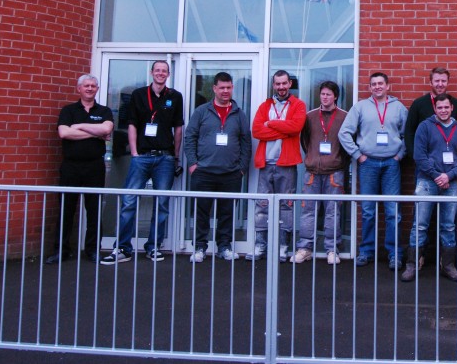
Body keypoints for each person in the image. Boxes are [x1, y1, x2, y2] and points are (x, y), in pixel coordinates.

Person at [101, 60, 184, 265]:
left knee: (161, 204)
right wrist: (135, 152)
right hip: (142, 156)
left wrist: (175, 156)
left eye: (164, 71)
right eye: (157, 70)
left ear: (168, 74)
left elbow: (179, 128)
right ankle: (122, 247)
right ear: (152, 72)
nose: (161, 74)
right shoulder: (139, 95)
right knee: (129, 201)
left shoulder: (175, 96)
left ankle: (153, 246)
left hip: (164, 157)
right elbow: (132, 125)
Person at [337, 72, 408, 268]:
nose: (377, 87)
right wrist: (357, 155)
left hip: (391, 164)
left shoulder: (398, 108)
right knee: (368, 210)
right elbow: (344, 133)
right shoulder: (360, 107)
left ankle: (395, 253)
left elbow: (407, 134)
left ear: (387, 86)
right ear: (369, 88)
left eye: (380, 84)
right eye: (373, 84)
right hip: (367, 163)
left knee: (393, 211)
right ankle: (366, 251)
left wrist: (399, 155)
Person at [401, 93, 457, 282]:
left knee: (448, 226)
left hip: (451, 182)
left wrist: (449, 175)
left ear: (451, 108)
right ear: (435, 109)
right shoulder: (425, 127)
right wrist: (437, 176)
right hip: (426, 181)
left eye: (446, 107)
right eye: (440, 108)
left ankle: (448, 266)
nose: (443, 110)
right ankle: (412, 265)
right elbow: (419, 156)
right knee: (420, 225)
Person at [46, 74, 114, 264]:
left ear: (97, 89)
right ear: (79, 88)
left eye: (93, 86)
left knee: (94, 210)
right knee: (66, 209)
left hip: (95, 166)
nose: (90, 88)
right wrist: (94, 132)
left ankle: (92, 250)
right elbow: (64, 133)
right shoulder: (68, 110)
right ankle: (61, 250)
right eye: (86, 86)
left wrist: (80, 126)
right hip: (71, 166)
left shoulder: (104, 110)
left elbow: (106, 130)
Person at [184, 72, 252, 262]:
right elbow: (190, 137)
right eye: (221, 87)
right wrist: (192, 164)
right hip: (203, 172)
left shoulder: (239, 114)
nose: (225, 91)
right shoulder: (202, 111)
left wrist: (242, 169)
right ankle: (199, 248)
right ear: (214, 88)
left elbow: (246, 142)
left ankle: (225, 247)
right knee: (201, 212)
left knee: (227, 213)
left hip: (231, 174)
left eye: (228, 87)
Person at [248, 69, 305, 263]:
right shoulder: (265, 105)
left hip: (287, 164)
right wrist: (283, 128)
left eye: (284, 83)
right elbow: (256, 130)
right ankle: (260, 246)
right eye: (277, 84)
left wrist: (271, 124)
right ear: (274, 85)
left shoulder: (298, 105)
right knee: (262, 206)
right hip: (266, 164)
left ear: (290, 84)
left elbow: (296, 128)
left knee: (286, 207)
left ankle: (282, 247)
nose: (281, 87)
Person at [292, 80, 349, 264]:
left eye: (328, 94)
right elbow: (305, 141)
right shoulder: (309, 117)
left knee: (333, 211)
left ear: (335, 96)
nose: (324, 97)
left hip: (334, 172)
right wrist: (312, 157)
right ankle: (305, 248)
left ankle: (332, 249)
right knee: (308, 211)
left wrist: (337, 160)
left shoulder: (344, 117)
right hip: (312, 172)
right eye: (322, 94)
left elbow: (347, 144)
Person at [403, 67, 457, 160]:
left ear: (448, 82)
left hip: (452, 164)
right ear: (430, 83)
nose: (440, 84)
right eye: (437, 81)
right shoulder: (418, 104)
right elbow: (409, 132)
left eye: (443, 81)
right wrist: (415, 157)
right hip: (425, 163)